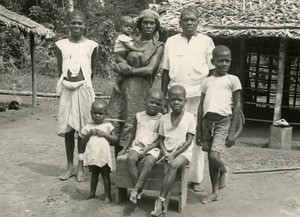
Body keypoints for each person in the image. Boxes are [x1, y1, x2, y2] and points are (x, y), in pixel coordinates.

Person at [161, 6, 215, 192]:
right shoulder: (171, 41)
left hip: (198, 95)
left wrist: (211, 95)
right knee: (173, 135)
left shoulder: (207, 41)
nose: (189, 22)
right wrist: (163, 97)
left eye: (193, 19)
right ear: (180, 22)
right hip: (175, 95)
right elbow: (166, 71)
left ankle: (195, 178)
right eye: (186, 20)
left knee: (197, 135)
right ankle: (172, 174)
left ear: (198, 21)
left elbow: (213, 71)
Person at [107, 9, 164, 156]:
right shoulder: (130, 40)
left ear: (156, 26)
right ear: (140, 24)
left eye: (152, 23)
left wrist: (126, 71)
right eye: (145, 22)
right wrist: (121, 64)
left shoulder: (158, 46)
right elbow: (119, 55)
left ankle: (131, 166)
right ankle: (118, 168)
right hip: (122, 90)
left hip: (141, 92)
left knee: (134, 127)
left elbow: (149, 70)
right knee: (118, 123)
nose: (149, 26)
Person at [55, 10, 98, 182]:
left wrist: (81, 85)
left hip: (83, 90)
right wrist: (69, 84)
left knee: (82, 129)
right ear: (68, 24)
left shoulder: (92, 45)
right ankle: (70, 167)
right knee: (68, 129)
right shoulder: (61, 45)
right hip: (67, 90)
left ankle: (81, 167)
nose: (76, 26)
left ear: (85, 25)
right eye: (73, 22)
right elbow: (60, 70)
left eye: (80, 23)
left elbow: (92, 71)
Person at [196, 45, 242, 204]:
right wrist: (198, 130)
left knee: (215, 155)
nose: (224, 64)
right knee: (210, 157)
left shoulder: (233, 79)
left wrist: (231, 131)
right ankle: (215, 192)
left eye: (227, 61)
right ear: (212, 61)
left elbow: (237, 106)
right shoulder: (206, 81)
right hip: (207, 122)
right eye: (221, 61)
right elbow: (201, 106)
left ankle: (224, 169)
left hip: (223, 122)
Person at [151, 85, 195, 217]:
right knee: (167, 173)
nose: (176, 102)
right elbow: (160, 140)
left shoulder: (190, 118)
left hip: (183, 153)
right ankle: (163, 209)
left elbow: (188, 141)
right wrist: (165, 153)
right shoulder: (164, 119)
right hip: (167, 152)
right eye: (173, 99)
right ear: (168, 101)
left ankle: (159, 200)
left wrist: (173, 155)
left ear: (185, 101)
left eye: (179, 100)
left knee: (174, 164)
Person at [118, 88, 164, 204]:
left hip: (153, 147)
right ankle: (138, 189)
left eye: (158, 104)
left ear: (162, 104)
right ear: (145, 100)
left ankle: (136, 190)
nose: (154, 105)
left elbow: (160, 139)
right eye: (151, 102)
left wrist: (148, 148)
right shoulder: (139, 116)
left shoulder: (161, 118)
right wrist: (124, 149)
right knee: (130, 158)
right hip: (138, 145)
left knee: (149, 161)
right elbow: (132, 133)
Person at [80, 99, 118, 204]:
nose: (97, 116)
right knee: (94, 175)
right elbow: (82, 141)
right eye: (95, 113)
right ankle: (92, 192)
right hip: (93, 156)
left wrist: (104, 134)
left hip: (103, 156)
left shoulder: (108, 126)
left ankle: (107, 195)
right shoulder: (88, 126)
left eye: (100, 114)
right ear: (91, 113)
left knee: (105, 176)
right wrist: (89, 133)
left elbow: (115, 140)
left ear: (106, 114)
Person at [113, 16, 145, 93]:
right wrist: (138, 50)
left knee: (128, 70)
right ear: (120, 27)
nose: (129, 28)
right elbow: (128, 47)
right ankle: (117, 81)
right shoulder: (122, 37)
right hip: (120, 57)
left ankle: (118, 70)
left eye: (131, 27)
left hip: (124, 57)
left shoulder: (128, 37)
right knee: (127, 69)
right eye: (126, 26)